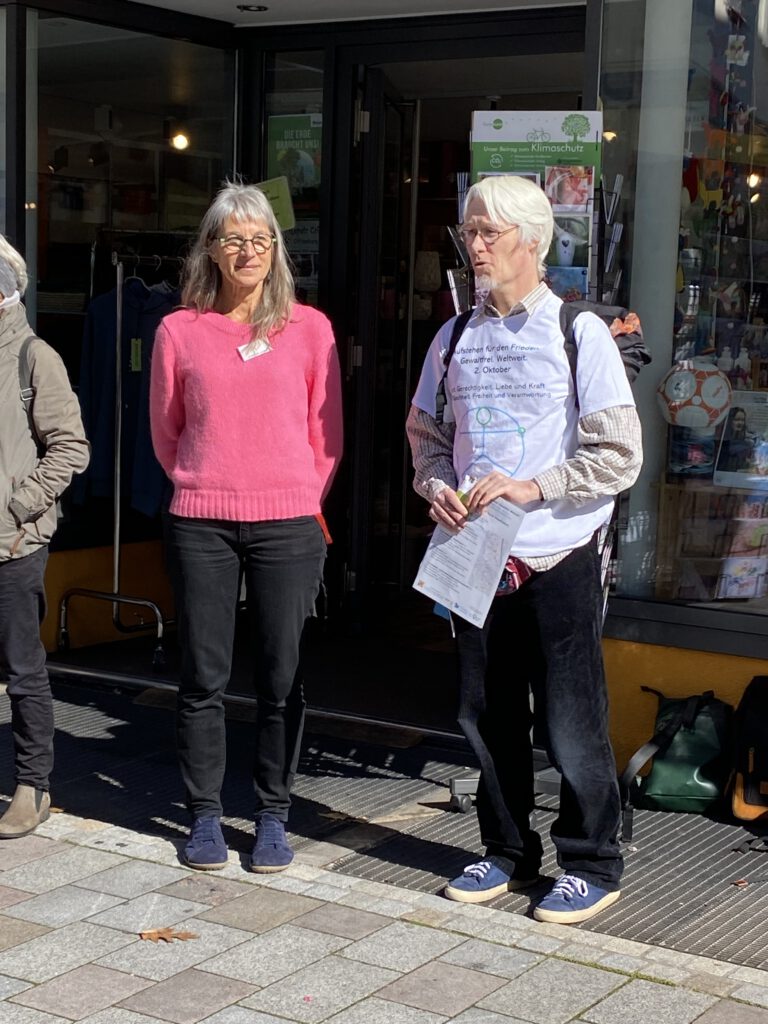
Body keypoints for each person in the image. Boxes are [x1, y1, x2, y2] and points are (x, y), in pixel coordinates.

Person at [406, 175, 643, 924]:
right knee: (486, 714)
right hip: (476, 553)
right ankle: (506, 851)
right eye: (469, 232)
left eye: (489, 233)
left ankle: (593, 860)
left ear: (532, 243)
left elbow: (620, 455)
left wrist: (533, 487)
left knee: (571, 718)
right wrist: (435, 486)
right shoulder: (452, 338)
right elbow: (427, 440)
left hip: (560, 551)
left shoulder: (578, 333)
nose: (474, 246)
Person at [150, 182, 343, 872]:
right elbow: (167, 433)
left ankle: (271, 816)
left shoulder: (310, 329)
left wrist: (292, 495)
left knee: (280, 678)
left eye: (260, 238)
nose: (247, 250)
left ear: (276, 249)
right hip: (202, 522)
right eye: (233, 237)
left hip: (288, 523)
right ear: (211, 248)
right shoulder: (179, 330)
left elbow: (328, 437)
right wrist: (208, 486)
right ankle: (203, 816)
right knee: (202, 675)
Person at [0, 234, 90, 838]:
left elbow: (71, 449)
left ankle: (32, 785)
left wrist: (16, 507)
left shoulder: (35, 357)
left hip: (13, 545)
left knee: (21, 666)